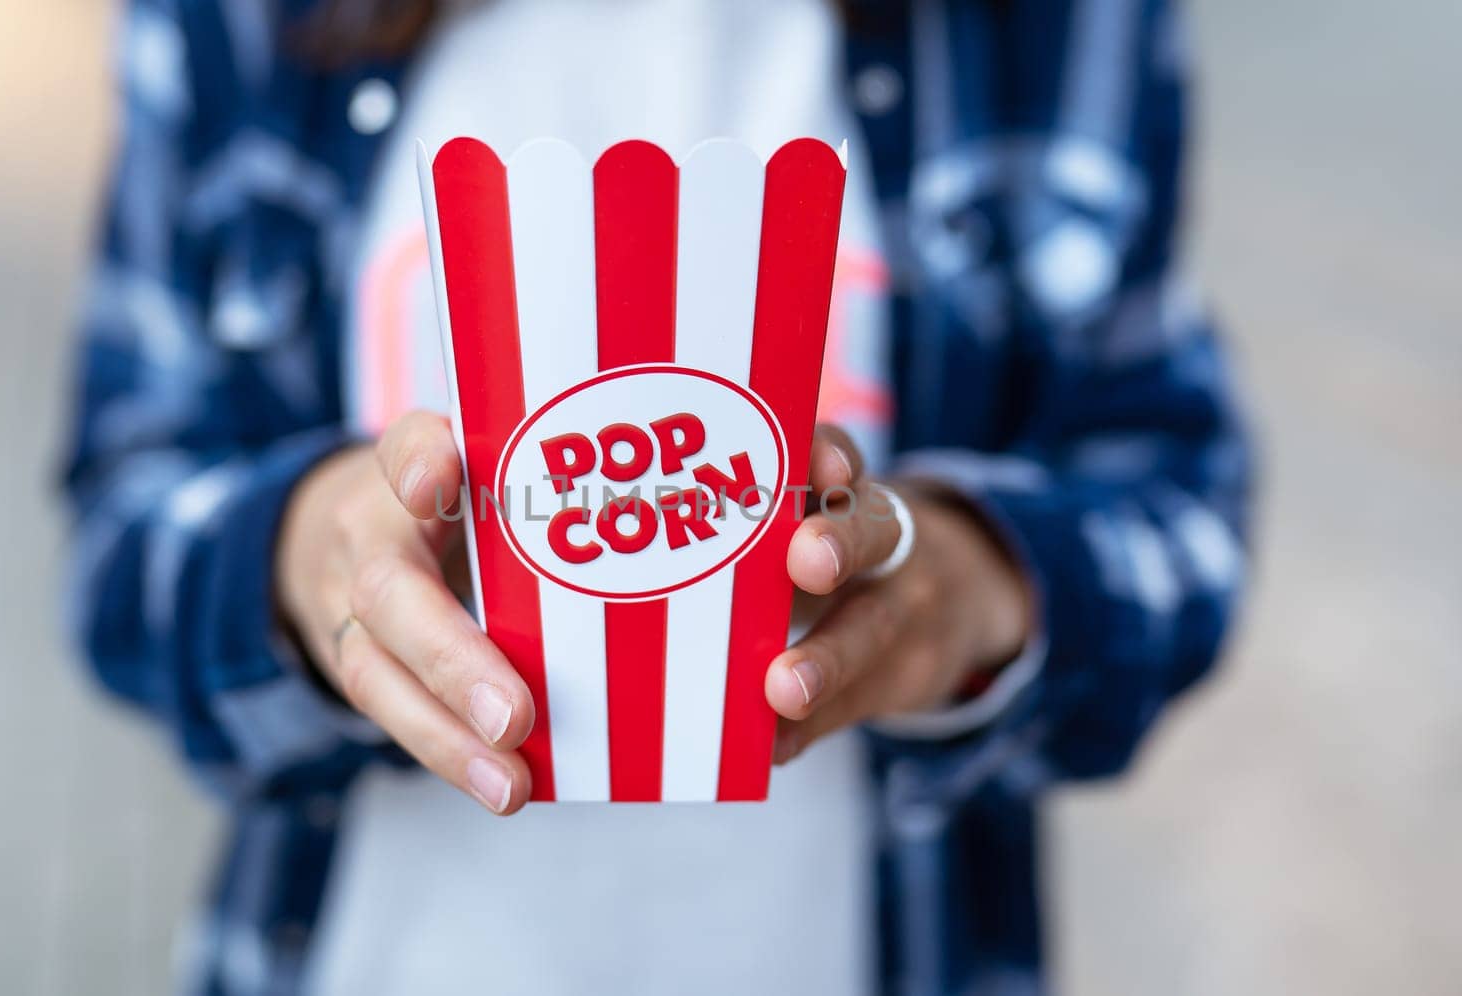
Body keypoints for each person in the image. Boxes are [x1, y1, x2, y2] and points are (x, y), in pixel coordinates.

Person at [62, 0, 1252, 992]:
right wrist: (299, 560)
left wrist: (977, 586)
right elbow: (123, 517)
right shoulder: (235, 22)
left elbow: (1177, 504)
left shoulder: (1063, 26)